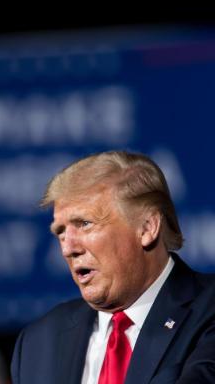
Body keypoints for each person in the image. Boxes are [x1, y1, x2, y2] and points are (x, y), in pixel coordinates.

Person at [11, 150, 215, 384]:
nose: (68, 249)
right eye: (61, 232)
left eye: (85, 224)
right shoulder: (39, 343)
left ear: (147, 227)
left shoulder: (207, 311)